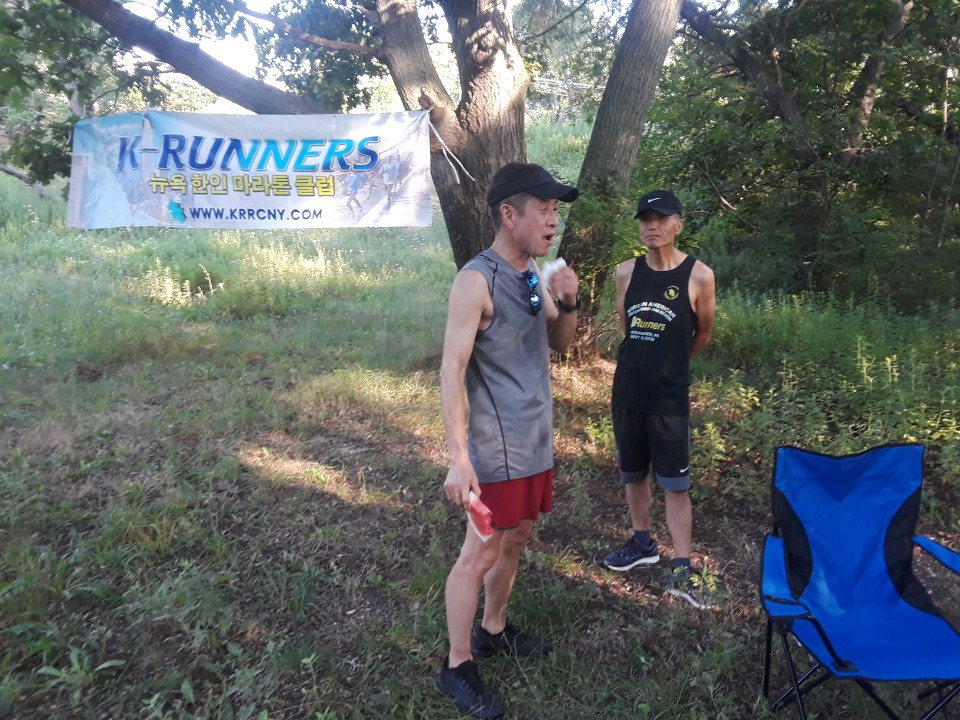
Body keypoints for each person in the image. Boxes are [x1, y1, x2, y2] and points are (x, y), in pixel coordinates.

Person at [437, 162, 580, 718]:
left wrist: (568, 302)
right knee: (480, 553)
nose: (553, 220)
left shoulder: (531, 272)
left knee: (517, 537)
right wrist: (458, 459)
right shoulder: (476, 281)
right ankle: (457, 665)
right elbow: (452, 370)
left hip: (536, 441)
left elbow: (559, 342)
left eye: (555, 210)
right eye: (543, 209)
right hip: (496, 449)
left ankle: (494, 628)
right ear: (508, 214)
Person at [602, 189, 717, 610]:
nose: (652, 226)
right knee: (632, 473)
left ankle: (683, 567)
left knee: (675, 483)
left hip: (668, 397)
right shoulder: (626, 272)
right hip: (628, 391)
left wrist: (670, 366)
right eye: (645, 219)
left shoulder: (699, 275)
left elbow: (702, 334)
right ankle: (642, 542)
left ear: (678, 225)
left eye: (661, 218)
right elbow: (627, 328)